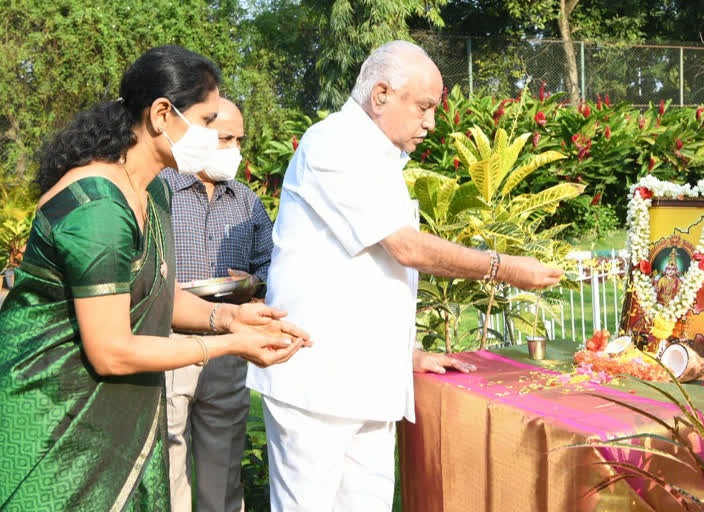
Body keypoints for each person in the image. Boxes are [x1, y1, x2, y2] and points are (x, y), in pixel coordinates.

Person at [246, 40, 563, 511]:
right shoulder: (334, 143)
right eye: (424, 107)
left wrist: (407, 352)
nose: (431, 122)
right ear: (380, 95)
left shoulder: (376, 155)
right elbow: (406, 248)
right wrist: (506, 267)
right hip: (319, 381)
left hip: (368, 377)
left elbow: (365, 273)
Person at [0, 45, 309, 511]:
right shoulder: (99, 207)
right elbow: (112, 352)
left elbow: (159, 292)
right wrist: (229, 346)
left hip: (100, 421)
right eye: (207, 122)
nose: (215, 139)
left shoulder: (150, 191)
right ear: (162, 114)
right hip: (54, 420)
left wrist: (229, 317)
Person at [160, 98, 272, 512]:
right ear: (199, 132)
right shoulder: (160, 189)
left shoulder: (246, 201)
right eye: (225, 138)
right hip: (167, 342)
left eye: (239, 140)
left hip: (229, 343)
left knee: (222, 467)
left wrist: (254, 283)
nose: (234, 149)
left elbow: (270, 263)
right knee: (167, 461)